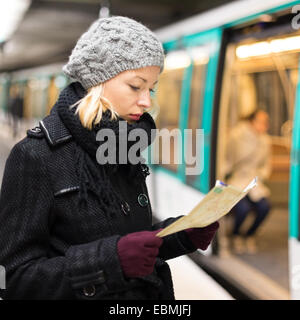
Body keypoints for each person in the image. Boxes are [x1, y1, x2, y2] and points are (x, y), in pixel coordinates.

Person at [0, 16, 219, 300]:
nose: (147, 102)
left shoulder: (123, 146)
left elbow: (128, 241)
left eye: (150, 88)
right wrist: (109, 262)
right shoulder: (35, 156)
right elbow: (14, 277)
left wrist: (179, 235)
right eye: (135, 86)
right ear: (98, 81)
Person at [225, 109, 271, 254]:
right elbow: (227, 158)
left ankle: (250, 234)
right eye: (260, 121)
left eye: (266, 122)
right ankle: (236, 234)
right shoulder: (237, 135)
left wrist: (261, 176)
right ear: (251, 121)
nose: (264, 125)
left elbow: (266, 164)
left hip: (255, 182)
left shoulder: (265, 140)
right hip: (237, 180)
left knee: (265, 207)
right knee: (242, 208)